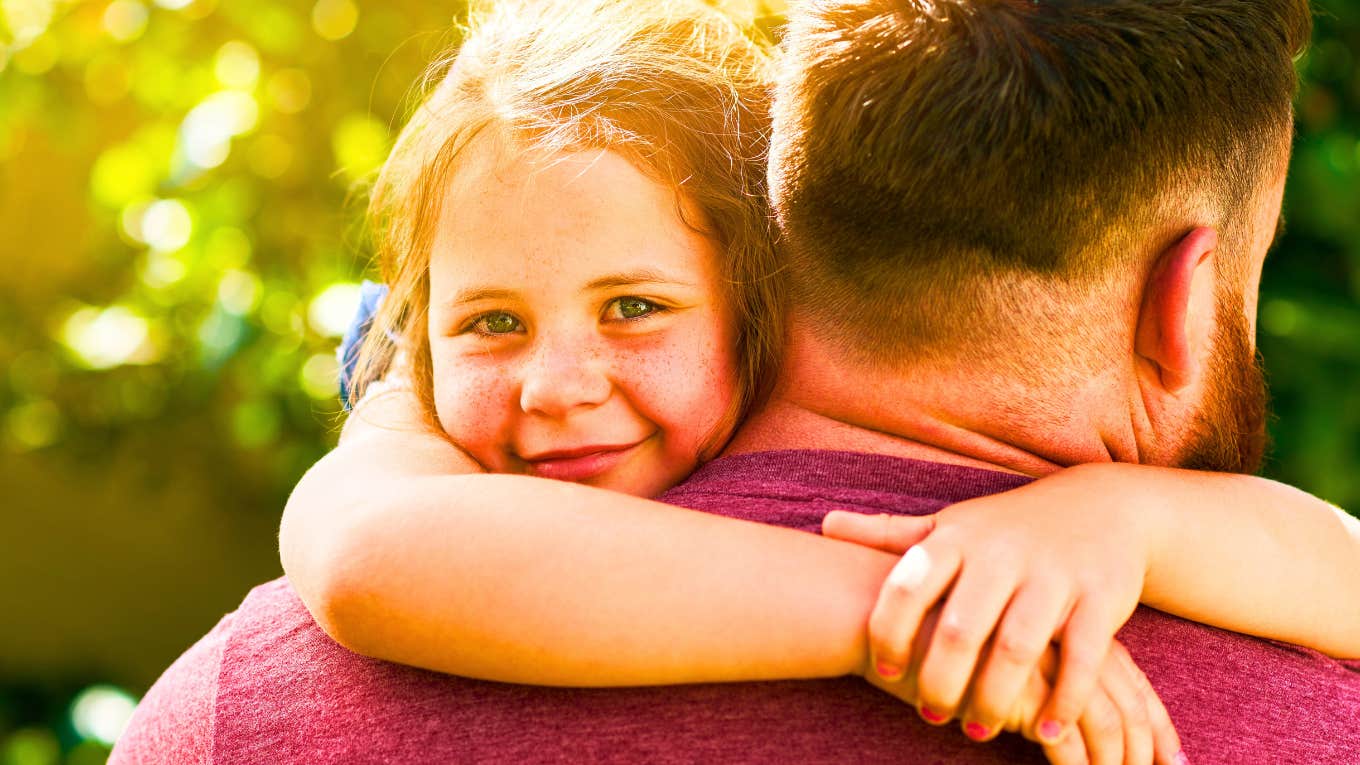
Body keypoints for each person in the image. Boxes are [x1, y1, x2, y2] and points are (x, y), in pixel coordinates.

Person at [111, 1, 1360, 764]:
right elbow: (377, 552)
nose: (556, 385)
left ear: (766, 279)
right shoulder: (411, 427)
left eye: (636, 308)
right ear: (1186, 303)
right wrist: (903, 615)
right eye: (487, 323)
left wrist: (1125, 522)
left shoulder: (233, 715)